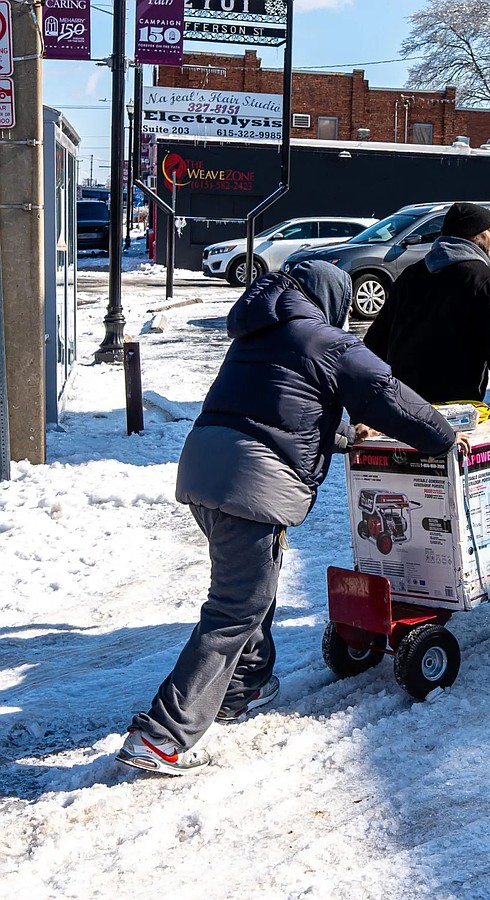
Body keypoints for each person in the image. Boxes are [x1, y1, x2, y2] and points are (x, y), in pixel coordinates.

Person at [118, 260, 460, 776]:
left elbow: (276, 410)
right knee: (235, 608)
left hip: (204, 470)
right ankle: (162, 736)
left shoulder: (260, 334)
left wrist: (345, 438)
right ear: (332, 299)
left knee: (252, 586)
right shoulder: (323, 339)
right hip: (251, 482)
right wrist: (443, 435)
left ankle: (243, 686)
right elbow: (385, 395)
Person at [364, 201, 490, 411]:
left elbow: (375, 341)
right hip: (454, 407)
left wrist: (369, 401)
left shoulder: (411, 275)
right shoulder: (484, 280)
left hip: (403, 405)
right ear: (472, 234)